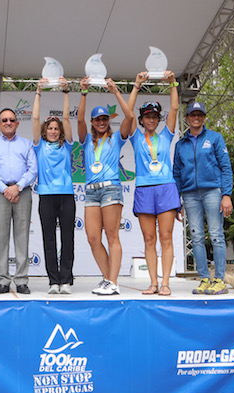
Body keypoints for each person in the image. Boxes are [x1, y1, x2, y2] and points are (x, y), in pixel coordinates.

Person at [78, 78, 134, 296]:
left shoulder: (116, 139)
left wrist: (116, 92)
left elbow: (129, 116)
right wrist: (83, 93)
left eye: (104, 119)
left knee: (112, 236)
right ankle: (107, 279)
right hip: (91, 190)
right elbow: (79, 121)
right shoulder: (85, 142)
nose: (101, 122)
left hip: (111, 189)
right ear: (93, 122)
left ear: (108, 121)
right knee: (93, 238)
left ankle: (113, 281)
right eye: (97, 119)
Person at [127, 71, 180, 296]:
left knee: (166, 237)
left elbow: (175, 108)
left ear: (158, 119)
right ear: (141, 119)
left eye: (154, 116)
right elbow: (127, 112)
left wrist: (173, 84)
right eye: (147, 116)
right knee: (149, 239)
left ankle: (165, 282)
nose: (151, 119)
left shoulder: (166, 135)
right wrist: (137, 85)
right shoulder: (136, 137)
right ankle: (153, 283)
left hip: (166, 187)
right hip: (144, 189)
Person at [173, 101, 233, 295]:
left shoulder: (215, 138)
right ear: (187, 118)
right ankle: (204, 279)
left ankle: (220, 280)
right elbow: (177, 174)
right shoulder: (181, 144)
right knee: (196, 236)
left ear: (204, 117)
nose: (196, 118)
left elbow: (225, 167)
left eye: (200, 114)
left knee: (216, 235)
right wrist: (177, 201)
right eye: (192, 115)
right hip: (190, 194)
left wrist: (226, 195)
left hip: (212, 192)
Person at [0, 108, 38, 294]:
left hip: (22, 192)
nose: (8, 122)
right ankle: (3, 280)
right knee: (1, 238)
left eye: (12, 120)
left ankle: (21, 280)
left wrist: (18, 187)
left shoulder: (27, 144)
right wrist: (5, 189)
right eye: (4, 120)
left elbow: (32, 170)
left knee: (22, 237)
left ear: (17, 123)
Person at [32, 77, 75, 294]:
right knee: (49, 239)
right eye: (50, 128)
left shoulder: (66, 146)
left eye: (56, 128)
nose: (54, 131)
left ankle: (66, 280)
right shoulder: (39, 147)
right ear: (44, 131)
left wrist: (66, 92)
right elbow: (36, 116)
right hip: (46, 196)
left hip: (66, 196)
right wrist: (38, 92)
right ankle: (53, 281)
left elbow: (67, 117)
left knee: (67, 238)